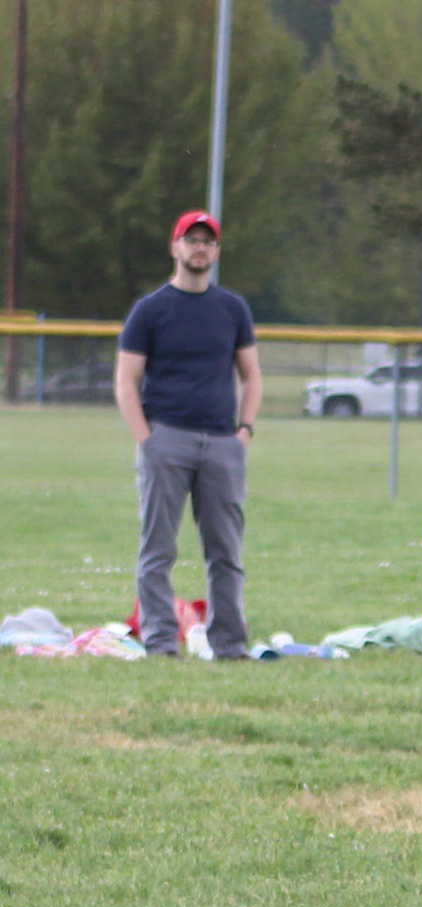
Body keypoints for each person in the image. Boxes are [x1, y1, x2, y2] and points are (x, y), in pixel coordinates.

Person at [114, 210, 263, 658]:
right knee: (158, 551)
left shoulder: (232, 308)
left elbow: (251, 376)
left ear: (216, 251)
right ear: (175, 247)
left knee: (226, 553)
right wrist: (147, 440)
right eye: (192, 239)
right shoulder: (150, 310)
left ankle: (230, 646)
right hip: (167, 439)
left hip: (221, 443)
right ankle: (161, 643)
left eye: (208, 241)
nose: (200, 248)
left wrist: (243, 432)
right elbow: (125, 381)